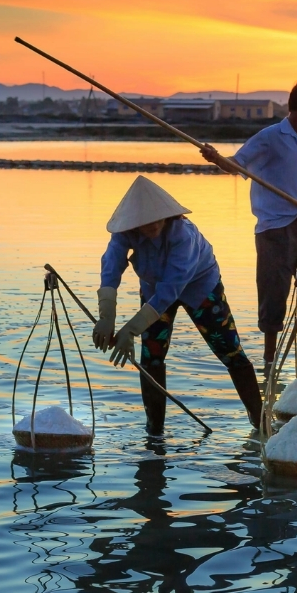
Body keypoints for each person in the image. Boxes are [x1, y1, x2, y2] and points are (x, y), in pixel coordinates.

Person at [95, 176, 263, 434]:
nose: (152, 226)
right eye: (145, 222)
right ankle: (154, 429)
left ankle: (260, 421)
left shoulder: (183, 235)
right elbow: (111, 268)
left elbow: (170, 290)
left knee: (231, 353)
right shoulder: (124, 233)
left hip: (200, 288)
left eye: (157, 219)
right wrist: (107, 316)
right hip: (153, 288)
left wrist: (131, 328)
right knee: (151, 358)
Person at [200, 79, 297, 365]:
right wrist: (216, 159)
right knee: (273, 296)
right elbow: (238, 163)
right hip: (275, 230)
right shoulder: (270, 137)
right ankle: (269, 360)